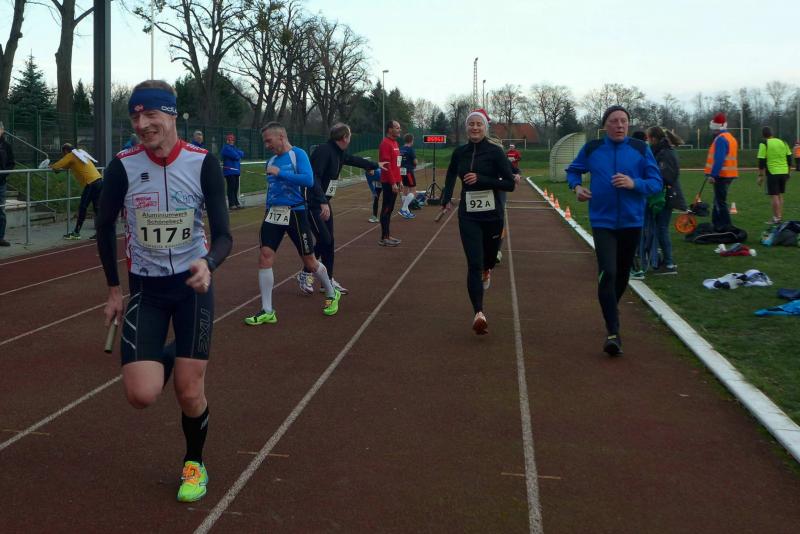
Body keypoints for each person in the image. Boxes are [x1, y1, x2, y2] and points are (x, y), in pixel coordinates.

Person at [95, 79, 233, 503]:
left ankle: (194, 463)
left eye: (151, 115)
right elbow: (104, 226)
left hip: (193, 287)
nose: (142, 124)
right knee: (141, 395)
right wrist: (114, 290)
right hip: (147, 290)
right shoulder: (122, 166)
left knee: (189, 391)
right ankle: (174, 353)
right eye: (135, 117)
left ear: (172, 115)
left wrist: (208, 264)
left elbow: (224, 235)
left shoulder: (203, 163)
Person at [566, 105, 662, 355]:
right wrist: (576, 187)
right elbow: (573, 171)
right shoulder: (593, 148)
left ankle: (611, 308)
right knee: (608, 271)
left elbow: (656, 183)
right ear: (605, 125)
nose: (620, 125)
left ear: (628, 124)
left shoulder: (640, 149)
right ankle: (613, 332)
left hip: (632, 221)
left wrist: (634, 183)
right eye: (614, 121)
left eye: (623, 121)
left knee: (621, 275)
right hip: (602, 221)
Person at [244, 121, 342, 325]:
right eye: (265, 142)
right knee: (265, 256)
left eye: (269, 141)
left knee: (310, 262)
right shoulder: (271, 160)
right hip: (273, 213)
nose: (267, 145)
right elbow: (272, 187)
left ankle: (332, 293)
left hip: (296, 214)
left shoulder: (298, 154)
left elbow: (308, 180)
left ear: (281, 137)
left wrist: (281, 173)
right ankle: (267, 310)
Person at [440, 108, 516, 335]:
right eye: (471, 124)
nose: (474, 127)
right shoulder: (460, 152)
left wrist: (482, 179)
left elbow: (509, 184)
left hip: (492, 216)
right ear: (466, 128)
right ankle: (479, 313)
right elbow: (451, 174)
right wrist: (446, 198)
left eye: (479, 124)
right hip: (468, 215)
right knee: (474, 263)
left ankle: (487, 269)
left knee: (488, 260)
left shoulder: (495, 152)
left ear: (485, 128)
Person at [297, 122, 378, 295]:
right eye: (350, 136)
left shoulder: (338, 152)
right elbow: (314, 178)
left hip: (324, 202)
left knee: (329, 241)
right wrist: (321, 201)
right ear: (344, 137)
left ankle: (327, 280)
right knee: (325, 240)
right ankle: (306, 273)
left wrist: (374, 165)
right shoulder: (324, 151)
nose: (351, 139)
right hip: (313, 203)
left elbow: (353, 160)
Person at [647, 126, 687, 275]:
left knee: (661, 228)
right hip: (663, 194)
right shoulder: (661, 151)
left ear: (653, 138)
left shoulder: (665, 153)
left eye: (648, 138)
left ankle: (669, 264)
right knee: (659, 227)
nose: (648, 141)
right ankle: (661, 260)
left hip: (667, 195)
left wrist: (652, 181)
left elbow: (668, 176)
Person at [50, 143, 103, 240]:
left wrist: (51, 166)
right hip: (98, 180)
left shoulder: (70, 155)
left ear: (65, 151)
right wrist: (59, 168)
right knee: (97, 208)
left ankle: (76, 232)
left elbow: (58, 165)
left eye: (63, 153)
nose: (63, 155)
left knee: (83, 207)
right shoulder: (79, 153)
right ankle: (101, 233)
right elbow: (68, 165)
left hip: (90, 183)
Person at [704, 112, 738, 231]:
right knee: (718, 200)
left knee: (720, 202)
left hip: (722, 175)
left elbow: (719, 159)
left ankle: (726, 225)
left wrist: (713, 175)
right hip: (730, 174)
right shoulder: (731, 138)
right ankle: (716, 224)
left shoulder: (720, 139)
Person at [757, 126, 792, 225]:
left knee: (774, 195)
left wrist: (760, 175)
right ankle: (779, 217)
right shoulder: (783, 142)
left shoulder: (764, 143)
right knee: (779, 194)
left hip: (773, 172)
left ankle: (776, 218)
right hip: (784, 171)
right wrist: (789, 172)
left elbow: (761, 160)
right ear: (772, 133)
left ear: (763, 135)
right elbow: (789, 158)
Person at [377, 120, 403, 246]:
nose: (399, 130)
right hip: (388, 182)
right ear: (390, 129)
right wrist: (393, 183)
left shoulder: (395, 143)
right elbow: (386, 166)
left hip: (395, 181)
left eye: (399, 128)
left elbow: (397, 164)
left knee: (390, 209)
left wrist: (400, 180)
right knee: (386, 209)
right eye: (397, 127)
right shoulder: (385, 144)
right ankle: (384, 237)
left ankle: (387, 235)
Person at [0, 123, 15, 247]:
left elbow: (11, 163)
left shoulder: (6, 146)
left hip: (1, 182)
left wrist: (4, 174)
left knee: (1, 211)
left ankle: (0, 238)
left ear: (2, 130)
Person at [220, 133, 244, 210]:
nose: (231, 141)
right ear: (227, 140)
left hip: (236, 171)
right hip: (229, 171)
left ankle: (236, 202)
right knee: (231, 187)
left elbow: (242, 154)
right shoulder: (226, 148)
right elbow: (235, 156)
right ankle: (231, 204)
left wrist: (237, 154)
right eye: (229, 140)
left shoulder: (234, 148)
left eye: (232, 140)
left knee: (236, 187)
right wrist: (237, 155)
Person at [397, 133, 418, 219]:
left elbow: (398, 162)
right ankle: (404, 209)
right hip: (409, 171)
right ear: (411, 140)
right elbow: (415, 161)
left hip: (401, 171)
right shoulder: (410, 149)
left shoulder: (400, 149)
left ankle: (407, 211)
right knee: (413, 191)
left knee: (405, 189)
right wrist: (415, 164)